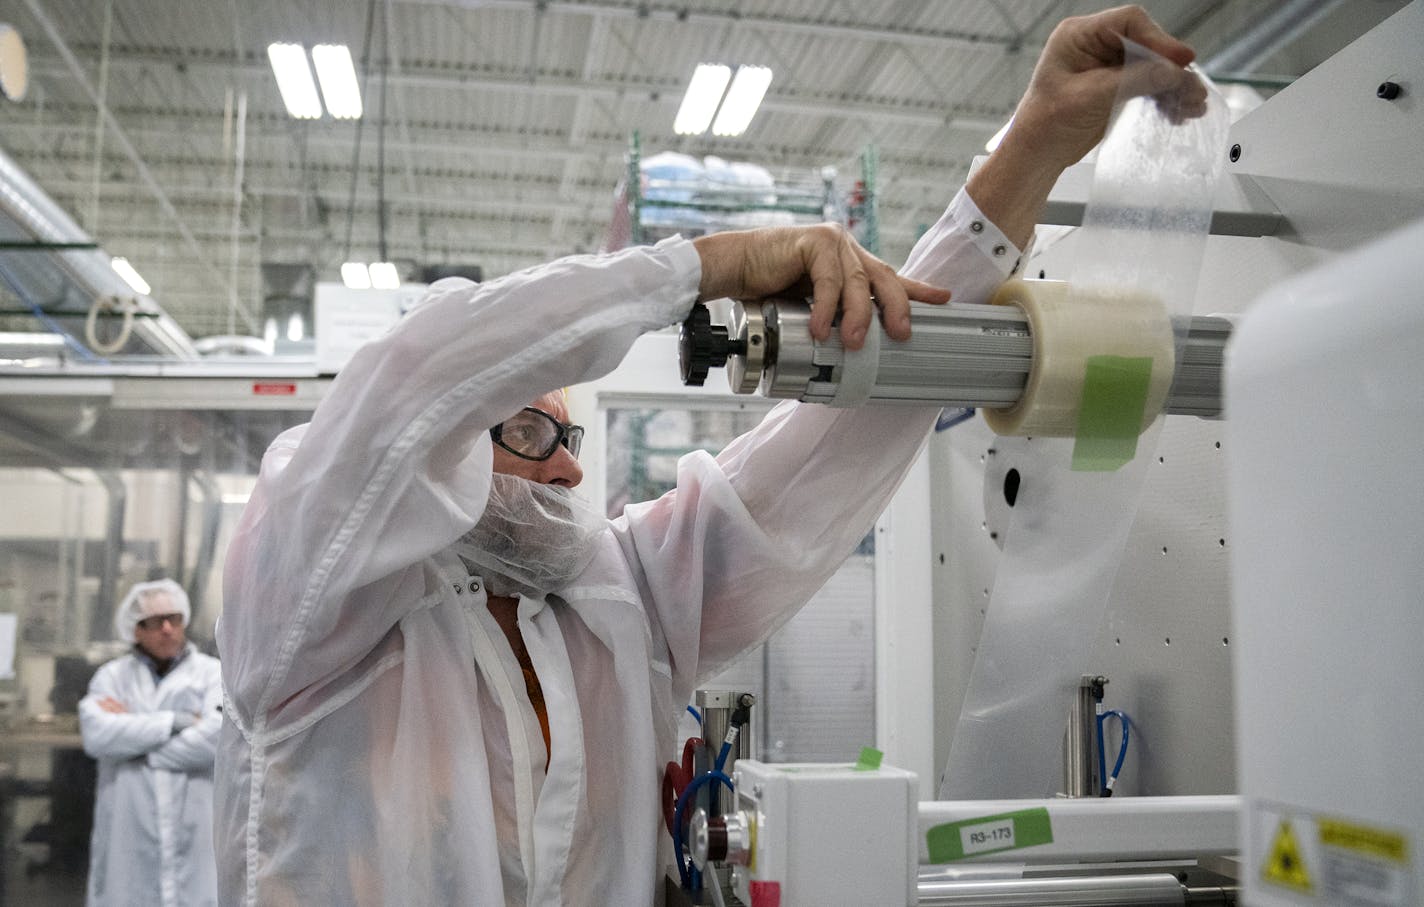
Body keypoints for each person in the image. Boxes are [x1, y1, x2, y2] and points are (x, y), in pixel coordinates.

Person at [215, 7, 1205, 904]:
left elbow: (823, 452)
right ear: (445, 451)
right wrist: (711, 263)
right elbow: (410, 381)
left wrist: (1028, 145)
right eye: (524, 431)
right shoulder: (315, 608)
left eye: (569, 437)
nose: (564, 468)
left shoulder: (618, 598)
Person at [79, 578, 223, 906]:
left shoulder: (212, 674)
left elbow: (218, 738)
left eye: (175, 619)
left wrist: (135, 748)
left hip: (196, 825)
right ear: (136, 629)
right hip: (128, 825)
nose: (168, 628)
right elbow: (97, 736)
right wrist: (178, 721)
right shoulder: (112, 677)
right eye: (156, 622)